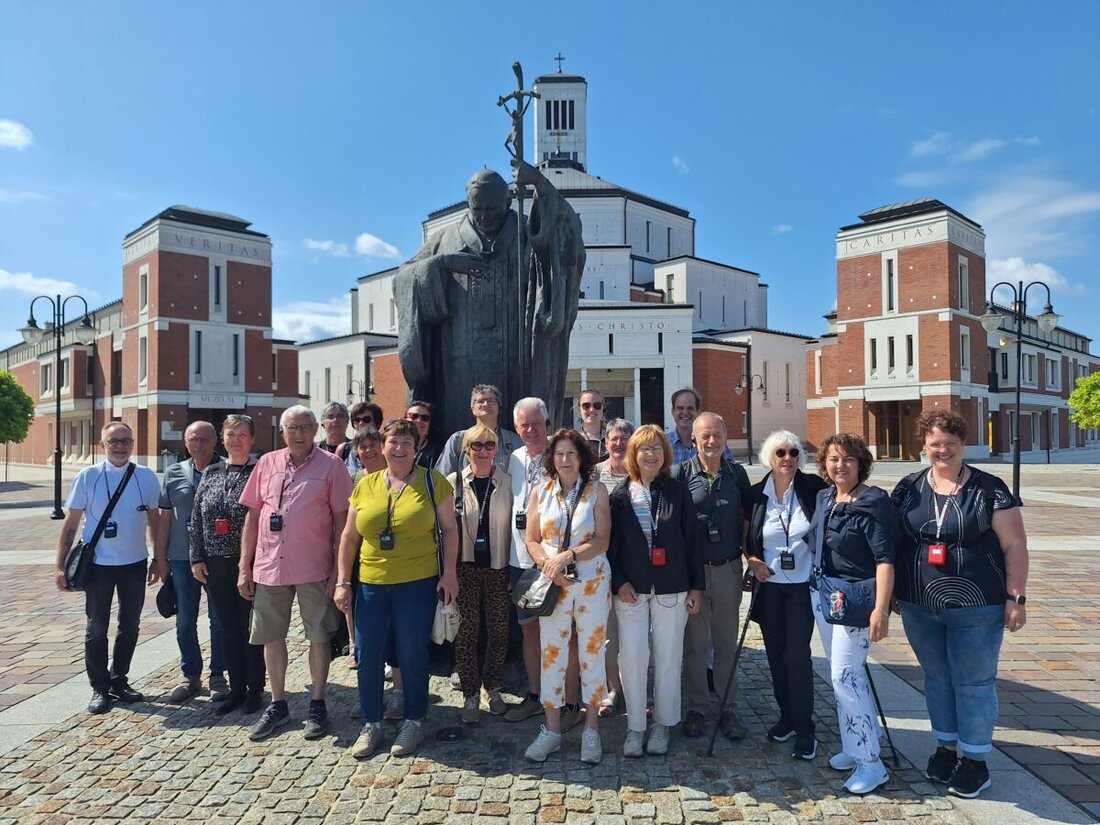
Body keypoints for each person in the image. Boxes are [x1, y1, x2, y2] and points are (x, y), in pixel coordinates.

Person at [890, 409, 1029, 799]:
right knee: (937, 678)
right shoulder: (908, 487)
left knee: (974, 682)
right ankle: (947, 747)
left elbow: (1015, 544)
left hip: (977, 604)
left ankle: (975, 760)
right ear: (924, 444)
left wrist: (1015, 597)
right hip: (919, 603)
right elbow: (893, 541)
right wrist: (892, 591)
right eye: (935, 443)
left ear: (962, 444)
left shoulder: (990, 489)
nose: (943, 450)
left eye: (950, 443)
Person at [393, 161, 585, 441]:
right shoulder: (446, 240)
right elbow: (403, 277)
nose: (483, 216)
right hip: (456, 358)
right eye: (477, 209)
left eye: (491, 209)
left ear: (507, 202)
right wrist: (442, 263)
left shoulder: (526, 234)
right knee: (458, 429)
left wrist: (540, 185)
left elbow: (564, 240)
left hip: (518, 357)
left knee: (515, 423)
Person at [335, 419, 459, 758]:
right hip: (371, 584)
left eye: (407, 442)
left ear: (416, 447)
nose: (400, 448)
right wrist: (343, 581)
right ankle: (371, 723)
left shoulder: (433, 482)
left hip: (417, 583)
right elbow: (349, 537)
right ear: (382, 446)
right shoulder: (365, 484)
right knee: (367, 654)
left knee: (411, 652)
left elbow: (450, 530)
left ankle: (414, 720)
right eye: (393, 441)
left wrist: (450, 573)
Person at [238, 405, 353, 742]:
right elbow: (253, 516)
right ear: (282, 431)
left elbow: (343, 521)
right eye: (292, 428)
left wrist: (339, 572)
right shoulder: (266, 463)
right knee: (271, 636)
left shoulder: (332, 466)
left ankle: (317, 703)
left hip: (314, 566)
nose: (298, 434)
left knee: (318, 635)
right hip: (270, 565)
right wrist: (245, 565)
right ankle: (278, 704)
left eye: (304, 427)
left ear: (315, 429)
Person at [810, 433, 899, 795]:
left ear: (861, 463)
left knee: (845, 676)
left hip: (859, 600)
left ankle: (871, 762)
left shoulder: (873, 502)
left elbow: (885, 560)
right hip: (827, 595)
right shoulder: (826, 497)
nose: (840, 465)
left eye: (848, 458)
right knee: (841, 675)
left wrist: (881, 608)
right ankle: (854, 743)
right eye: (833, 459)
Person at [55, 422, 163, 714]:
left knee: (130, 625)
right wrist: (60, 566)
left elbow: (154, 522)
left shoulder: (145, 476)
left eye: (126, 440)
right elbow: (71, 523)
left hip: (134, 563)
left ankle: (119, 680)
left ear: (133, 443)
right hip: (98, 565)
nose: (120, 446)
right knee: (96, 627)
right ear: (102, 445)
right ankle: (99, 687)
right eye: (113, 441)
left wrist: (158, 558)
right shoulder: (88, 476)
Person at [608, 425, 703, 757]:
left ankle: (663, 723)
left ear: (666, 453)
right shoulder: (620, 495)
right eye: (644, 448)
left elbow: (692, 541)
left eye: (657, 448)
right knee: (632, 658)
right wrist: (619, 582)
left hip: (671, 587)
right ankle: (635, 726)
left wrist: (696, 587)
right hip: (631, 591)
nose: (651, 454)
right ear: (633, 454)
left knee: (668, 658)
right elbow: (611, 547)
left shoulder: (677, 491)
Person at [523, 429, 611, 765]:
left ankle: (592, 729)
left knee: (592, 651)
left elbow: (602, 540)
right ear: (552, 458)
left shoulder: (596, 491)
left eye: (571, 453)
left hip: (591, 580)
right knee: (552, 652)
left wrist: (568, 556)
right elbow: (532, 539)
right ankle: (552, 730)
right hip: (553, 583)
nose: (565, 459)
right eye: (559, 453)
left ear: (581, 457)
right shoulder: (540, 491)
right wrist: (549, 565)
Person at [743, 430, 828, 760]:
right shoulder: (757, 494)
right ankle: (788, 718)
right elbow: (748, 541)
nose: (788, 458)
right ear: (770, 456)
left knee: (796, 655)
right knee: (776, 656)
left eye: (794, 452)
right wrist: (752, 561)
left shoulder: (813, 488)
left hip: (802, 588)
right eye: (781, 452)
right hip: (770, 588)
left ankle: (806, 729)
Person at [503, 397, 582, 729]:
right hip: (520, 559)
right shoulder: (513, 458)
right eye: (524, 425)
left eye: (536, 423)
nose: (530, 430)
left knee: (567, 634)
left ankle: (570, 702)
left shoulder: (560, 454)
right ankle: (536, 696)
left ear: (547, 423)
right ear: (516, 427)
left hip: (557, 561)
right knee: (529, 632)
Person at [673, 413, 751, 742]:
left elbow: (748, 520)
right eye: (704, 435)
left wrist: (751, 558)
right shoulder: (680, 474)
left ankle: (728, 708)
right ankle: (697, 708)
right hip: (695, 573)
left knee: (725, 643)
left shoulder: (737, 474)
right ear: (693, 439)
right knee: (694, 645)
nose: (711, 441)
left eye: (717, 434)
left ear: (725, 437)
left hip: (728, 568)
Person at [189, 414, 267, 715]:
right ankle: (236, 688)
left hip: (247, 562)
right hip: (214, 563)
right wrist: (196, 557)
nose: (236, 440)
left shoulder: (260, 471)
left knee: (250, 628)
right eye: (231, 434)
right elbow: (196, 517)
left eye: (242, 434)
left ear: (252, 439)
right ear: (222, 438)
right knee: (227, 628)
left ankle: (255, 688)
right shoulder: (211, 472)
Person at [445, 425, 513, 724]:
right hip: (465, 568)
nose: (483, 450)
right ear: (466, 449)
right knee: (467, 633)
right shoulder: (454, 483)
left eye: (489, 445)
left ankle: (492, 687)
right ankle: (470, 692)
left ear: (496, 449)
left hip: (499, 566)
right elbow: (444, 530)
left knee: (499, 631)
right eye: (477, 445)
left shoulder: (507, 482)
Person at [156, 421, 228, 704]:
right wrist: (159, 557)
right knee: (185, 620)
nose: (199, 444)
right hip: (181, 557)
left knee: (219, 618)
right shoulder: (173, 473)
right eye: (193, 439)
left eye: (204, 439)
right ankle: (190, 674)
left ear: (215, 441)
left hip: (217, 556)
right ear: (185, 443)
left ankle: (218, 675)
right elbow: (164, 520)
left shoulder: (227, 470)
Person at [592, 418, 634, 718]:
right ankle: (613, 688)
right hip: (601, 563)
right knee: (608, 634)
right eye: (614, 438)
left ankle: (636, 688)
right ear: (605, 442)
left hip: (633, 563)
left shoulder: (640, 472)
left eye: (624, 438)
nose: (619, 443)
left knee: (635, 633)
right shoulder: (594, 474)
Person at [435, 384, 522, 476]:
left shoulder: (514, 441)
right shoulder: (457, 440)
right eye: (480, 401)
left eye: (491, 401)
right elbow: (442, 478)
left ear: (499, 408)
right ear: (472, 409)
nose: (486, 404)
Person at [665, 388, 732, 464]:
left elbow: (731, 470)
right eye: (680, 408)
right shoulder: (664, 443)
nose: (685, 412)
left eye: (690, 408)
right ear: (673, 411)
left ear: (698, 411)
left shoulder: (714, 444)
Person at [338, 401, 384, 474]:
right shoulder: (344, 449)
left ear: (377, 423)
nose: (361, 423)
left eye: (366, 419)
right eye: (357, 420)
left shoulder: (386, 445)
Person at [406, 401, 444, 470]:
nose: (419, 420)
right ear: (404, 419)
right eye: (414, 416)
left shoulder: (438, 453)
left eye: (425, 418)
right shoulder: (394, 446)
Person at [576, 388, 609, 461]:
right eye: (586, 405)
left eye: (597, 405)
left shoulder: (614, 438)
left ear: (603, 408)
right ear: (579, 409)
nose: (591, 409)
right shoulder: (572, 438)